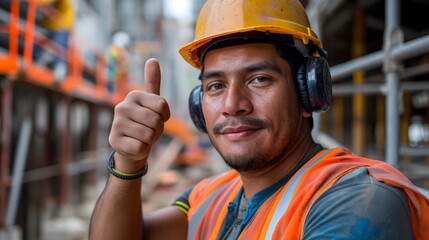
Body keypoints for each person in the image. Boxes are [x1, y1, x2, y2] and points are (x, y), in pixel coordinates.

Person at [89, 0, 429, 239]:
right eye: (216, 86)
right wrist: (128, 163)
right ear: (199, 106)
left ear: (309, 93)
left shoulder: (359, 201)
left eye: (259, 79)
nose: (232, 105)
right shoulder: (212, 196)